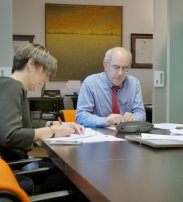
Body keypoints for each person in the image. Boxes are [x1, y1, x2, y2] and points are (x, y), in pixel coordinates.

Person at [0, 43, 85, 197]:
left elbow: (24, 124)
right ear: (31, 64)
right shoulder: (13, 88)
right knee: (81, 180)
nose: (46, 80)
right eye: (45, 73)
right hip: (17, 174)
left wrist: (52, 124)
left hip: (13, 167)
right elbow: (10, 135)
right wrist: (52, 131)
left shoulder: (8, 86)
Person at [76, 47, 146, 127]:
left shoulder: (134, 83)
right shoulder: (91, 83)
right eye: (116, 67)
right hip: (100, 135)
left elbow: (140, 113)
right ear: (105, 65)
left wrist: (133, 118)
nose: (120, 73)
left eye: (125, 68)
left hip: (126, 134)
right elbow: (81, 117)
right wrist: (105, 121)